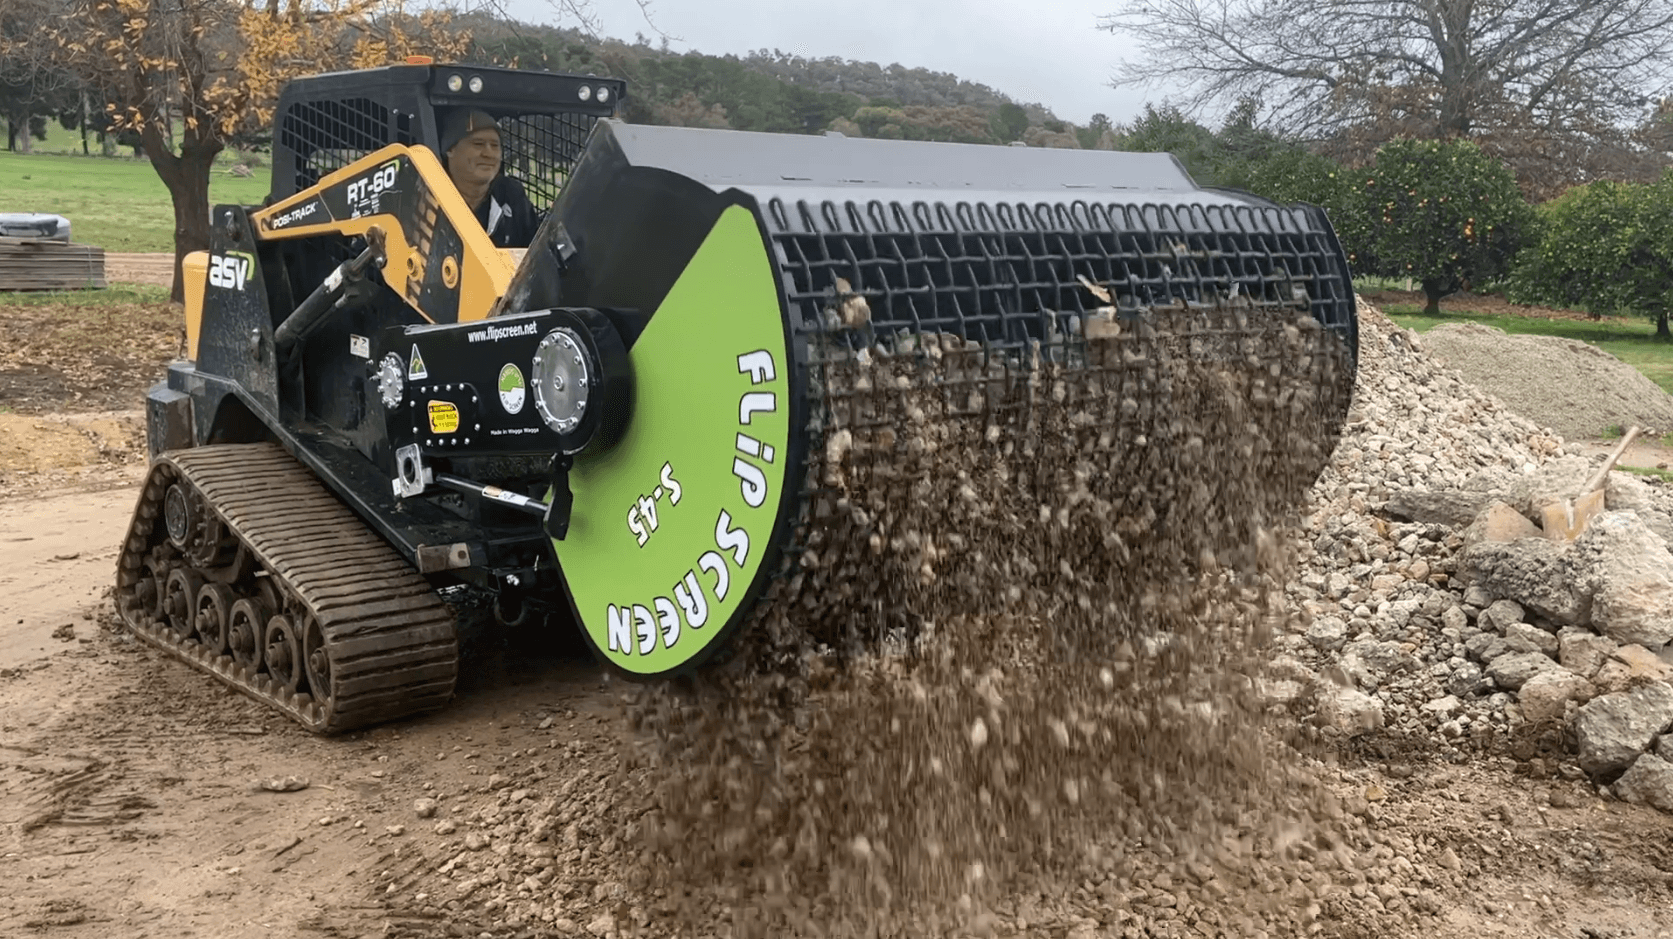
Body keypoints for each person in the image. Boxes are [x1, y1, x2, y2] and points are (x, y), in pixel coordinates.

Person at [439, 109, 542, 249]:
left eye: (495, 146)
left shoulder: (512, 196)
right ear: (450, 149)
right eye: (478, 144)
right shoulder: (430, 193)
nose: (489, 154)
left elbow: (536, 251)